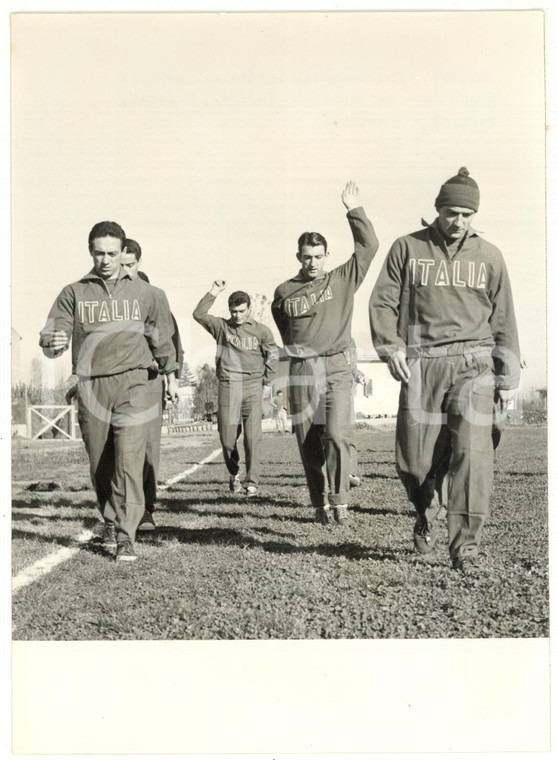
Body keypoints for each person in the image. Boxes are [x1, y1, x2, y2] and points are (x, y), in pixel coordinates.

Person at [369, 167, 521, 572]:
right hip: (422, 364)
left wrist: (507, 378)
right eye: (452, 213)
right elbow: (382, 303)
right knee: (415, 464)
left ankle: (465, 549)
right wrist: (391, 346)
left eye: (467, 215)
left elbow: (504, 319)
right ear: (437, 209)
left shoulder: (490, 256)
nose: (459, 222)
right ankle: (425, 507)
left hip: (475, 363)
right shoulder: (407, 248)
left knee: (472, 455)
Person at [39, 221, 179, 562]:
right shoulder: (74, 292)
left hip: (136, 381)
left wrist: (171, 376)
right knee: (101, 462)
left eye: (112, 254)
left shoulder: (150, 294)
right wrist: (52, 343)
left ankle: (125, 535)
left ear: (123, 253)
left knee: (129, 458)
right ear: (90, 252)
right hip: (92, 385)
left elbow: (162, 340)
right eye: (99, 253)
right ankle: (111, 517)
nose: (106, 260)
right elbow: (51, 335)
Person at [272, 181, 379, 525]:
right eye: (307, 257)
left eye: (319, 257)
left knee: (336, 433)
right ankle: (319, 503)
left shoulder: (343, 278)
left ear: (326, 257)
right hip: (302, 370)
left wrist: (353, 210)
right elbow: (284, 325)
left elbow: (369, 245)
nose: (313, 263)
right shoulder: (285, 291)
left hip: (336, 367)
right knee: (309, 442)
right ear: (298, 257)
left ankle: (341, 502)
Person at [121, 238, 184, 532]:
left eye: (129, 265)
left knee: (146, 447)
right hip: (114, 381)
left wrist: (172, 378)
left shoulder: (155, 299)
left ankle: (146, 509)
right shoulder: (101, 298)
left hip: (147, 380)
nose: (123, 271)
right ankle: (117, 512)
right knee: (115, 448)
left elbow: (170, 343)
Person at [193, 282, 278, 496]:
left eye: (241, 311)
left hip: (252, 386)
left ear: (249, 308)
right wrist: (213, 291)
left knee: (252, 437)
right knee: (227, 439)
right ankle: (234, 472)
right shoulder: (222, 327)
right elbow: (199, 314)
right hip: (229, 387)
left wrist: (268, 380)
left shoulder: (261, 331)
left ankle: (252, 482)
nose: (238, 315)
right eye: (234, 312)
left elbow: (273, 355)